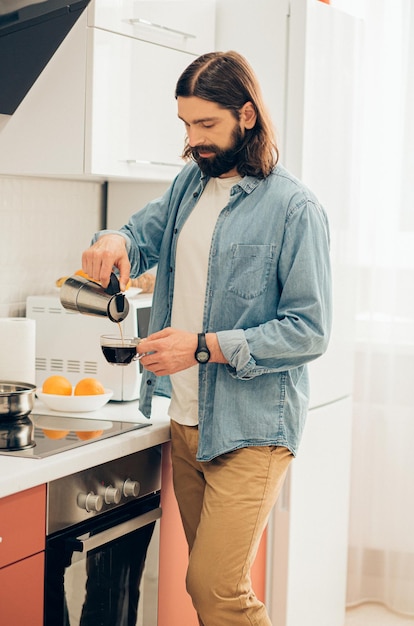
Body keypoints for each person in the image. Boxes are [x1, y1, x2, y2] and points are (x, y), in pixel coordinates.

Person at [82, 50, 332, 626]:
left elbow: (309, 330)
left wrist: (202, 346)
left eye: (206, 125)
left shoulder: (295, 209)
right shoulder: (187, 189)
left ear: (247, 116)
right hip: (187, 420)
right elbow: (136, 237)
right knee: (209, 594)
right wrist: (114, 240)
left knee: (215, 589)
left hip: (253, 427)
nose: (193, 140)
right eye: (186, 125)